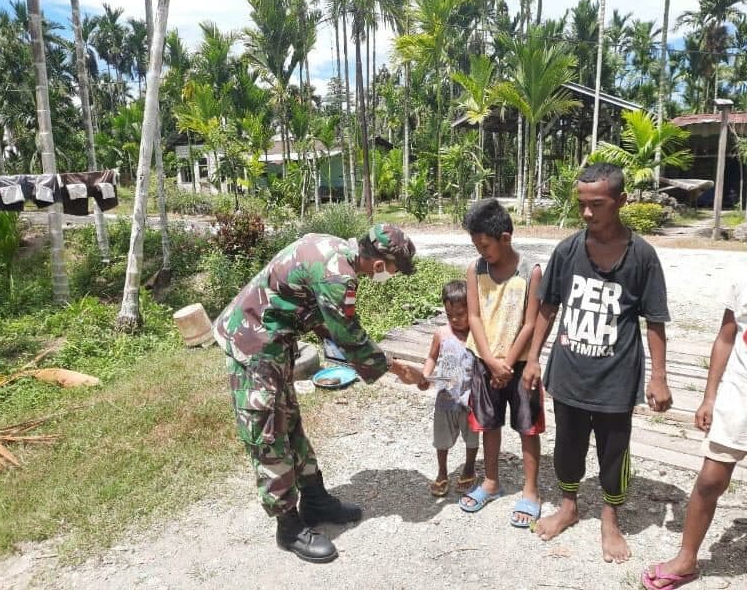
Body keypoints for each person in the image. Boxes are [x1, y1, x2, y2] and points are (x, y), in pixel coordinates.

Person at [212, 223, 425, 564]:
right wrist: (397, 368)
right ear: (381, 262)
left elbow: (324, 319)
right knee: (267, 433)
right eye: (396, 269)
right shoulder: (338, 276)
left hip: (275, 342)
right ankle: (288, 526)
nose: (394, 276)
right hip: (254, 343)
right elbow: (349, 335)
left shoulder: (334, 249)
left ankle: (314, 499)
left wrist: (362, 357)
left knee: (291, 423)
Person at [522, 162, 673, 563]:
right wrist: (533, 357)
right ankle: (569, 506)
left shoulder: (642, 256)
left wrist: (659, 377)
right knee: (568, 448)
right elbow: (548, 307)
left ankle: (610, 517)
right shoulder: (567, 250)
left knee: (614, 450)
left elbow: (655, 320)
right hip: (569, 371)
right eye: (582, 204)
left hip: (616, 378)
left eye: (597, 204)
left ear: (621, 201)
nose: (587, 213)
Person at [642, 200, 747, 589]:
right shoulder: (743, 286)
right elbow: (725, 339)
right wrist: (709, 396)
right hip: (737, 401)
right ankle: (686, 558)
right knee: (710, 479)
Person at [458, 198, 544, 528]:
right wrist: (491, 362)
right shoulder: (475, 270)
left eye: (485, 245)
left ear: (505, 238)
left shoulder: (530, 271)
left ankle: (531, 490)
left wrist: (506, 363)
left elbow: (529, 323)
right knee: (488, 424)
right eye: (476, 246)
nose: (482, 252)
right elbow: (475, 317)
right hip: (485, 362)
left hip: (519, 366)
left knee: (527, 427)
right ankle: (491, 481)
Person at [417, 280, 480, 497]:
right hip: (446, 398)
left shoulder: (477, 333)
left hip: (471, 398)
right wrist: (425, 375)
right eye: (449, 314)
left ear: (471, 310)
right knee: (442, 438)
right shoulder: (441, 334)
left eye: (460, 314)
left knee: (472, 437)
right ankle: (442, 472)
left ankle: (469, 467)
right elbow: (432, 357)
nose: (455, 319)